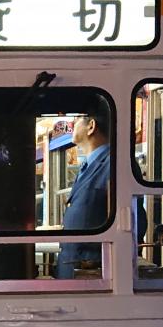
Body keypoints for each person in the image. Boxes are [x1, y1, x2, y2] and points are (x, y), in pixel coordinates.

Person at [56, 115, 110, 278]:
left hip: (93, 271)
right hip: (73, 268)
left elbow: (133, 218)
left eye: (78, 118)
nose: (72, 123)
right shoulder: (86, 166)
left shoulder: (113, 164)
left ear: (91, 126)